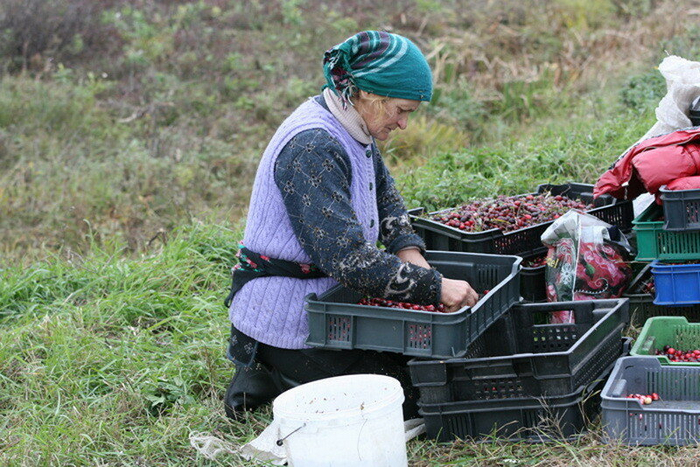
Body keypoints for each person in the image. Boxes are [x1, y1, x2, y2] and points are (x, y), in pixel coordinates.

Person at [224, 30, 478, 420]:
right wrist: (435, 287)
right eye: (401, 111)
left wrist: (411, 255)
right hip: (293, 319)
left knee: (432, 371)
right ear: (369, 95)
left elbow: (385, 197)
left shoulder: (353, 124)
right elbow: (348, 259)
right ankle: (270, 369)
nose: (404, 124)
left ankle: (281, 373)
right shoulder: (312, 146)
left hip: (333, 304)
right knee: (410, 397)